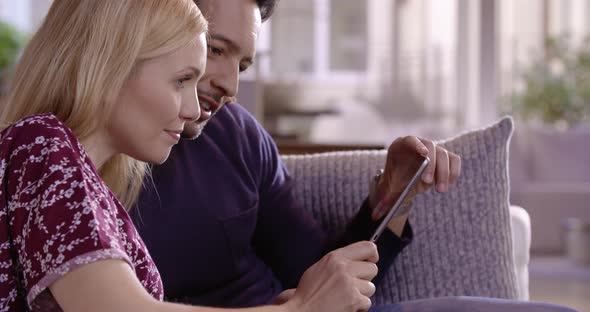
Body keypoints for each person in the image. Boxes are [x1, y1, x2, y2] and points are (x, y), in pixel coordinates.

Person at [132, 0, 579, 311]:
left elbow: (324, 275)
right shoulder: (79, 166)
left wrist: (392, 196)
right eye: (216, 49)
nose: (229, 86)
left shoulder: (237, 135)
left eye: (244, 65)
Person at [0, 1, 382, 311]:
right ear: (113, 62)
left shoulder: (94, 181)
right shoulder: (41, 144)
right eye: (182, 79)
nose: (192, 108)